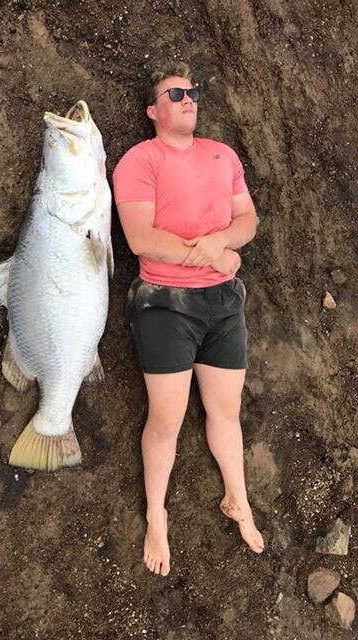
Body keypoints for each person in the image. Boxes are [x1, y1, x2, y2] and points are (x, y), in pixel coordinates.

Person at [112, 60, 264, 577]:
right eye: (175, 94)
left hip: (223, 304)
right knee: (167, 420)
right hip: (163, 302)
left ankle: (237, 499)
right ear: (153, 111)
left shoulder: (223, 155)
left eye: (192, 91)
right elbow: (141, 239)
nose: (188, 98)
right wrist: (218, 257)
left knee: (227, 412)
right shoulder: (138, 160)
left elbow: (248, 220)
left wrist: (224, 244)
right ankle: (157, 516)